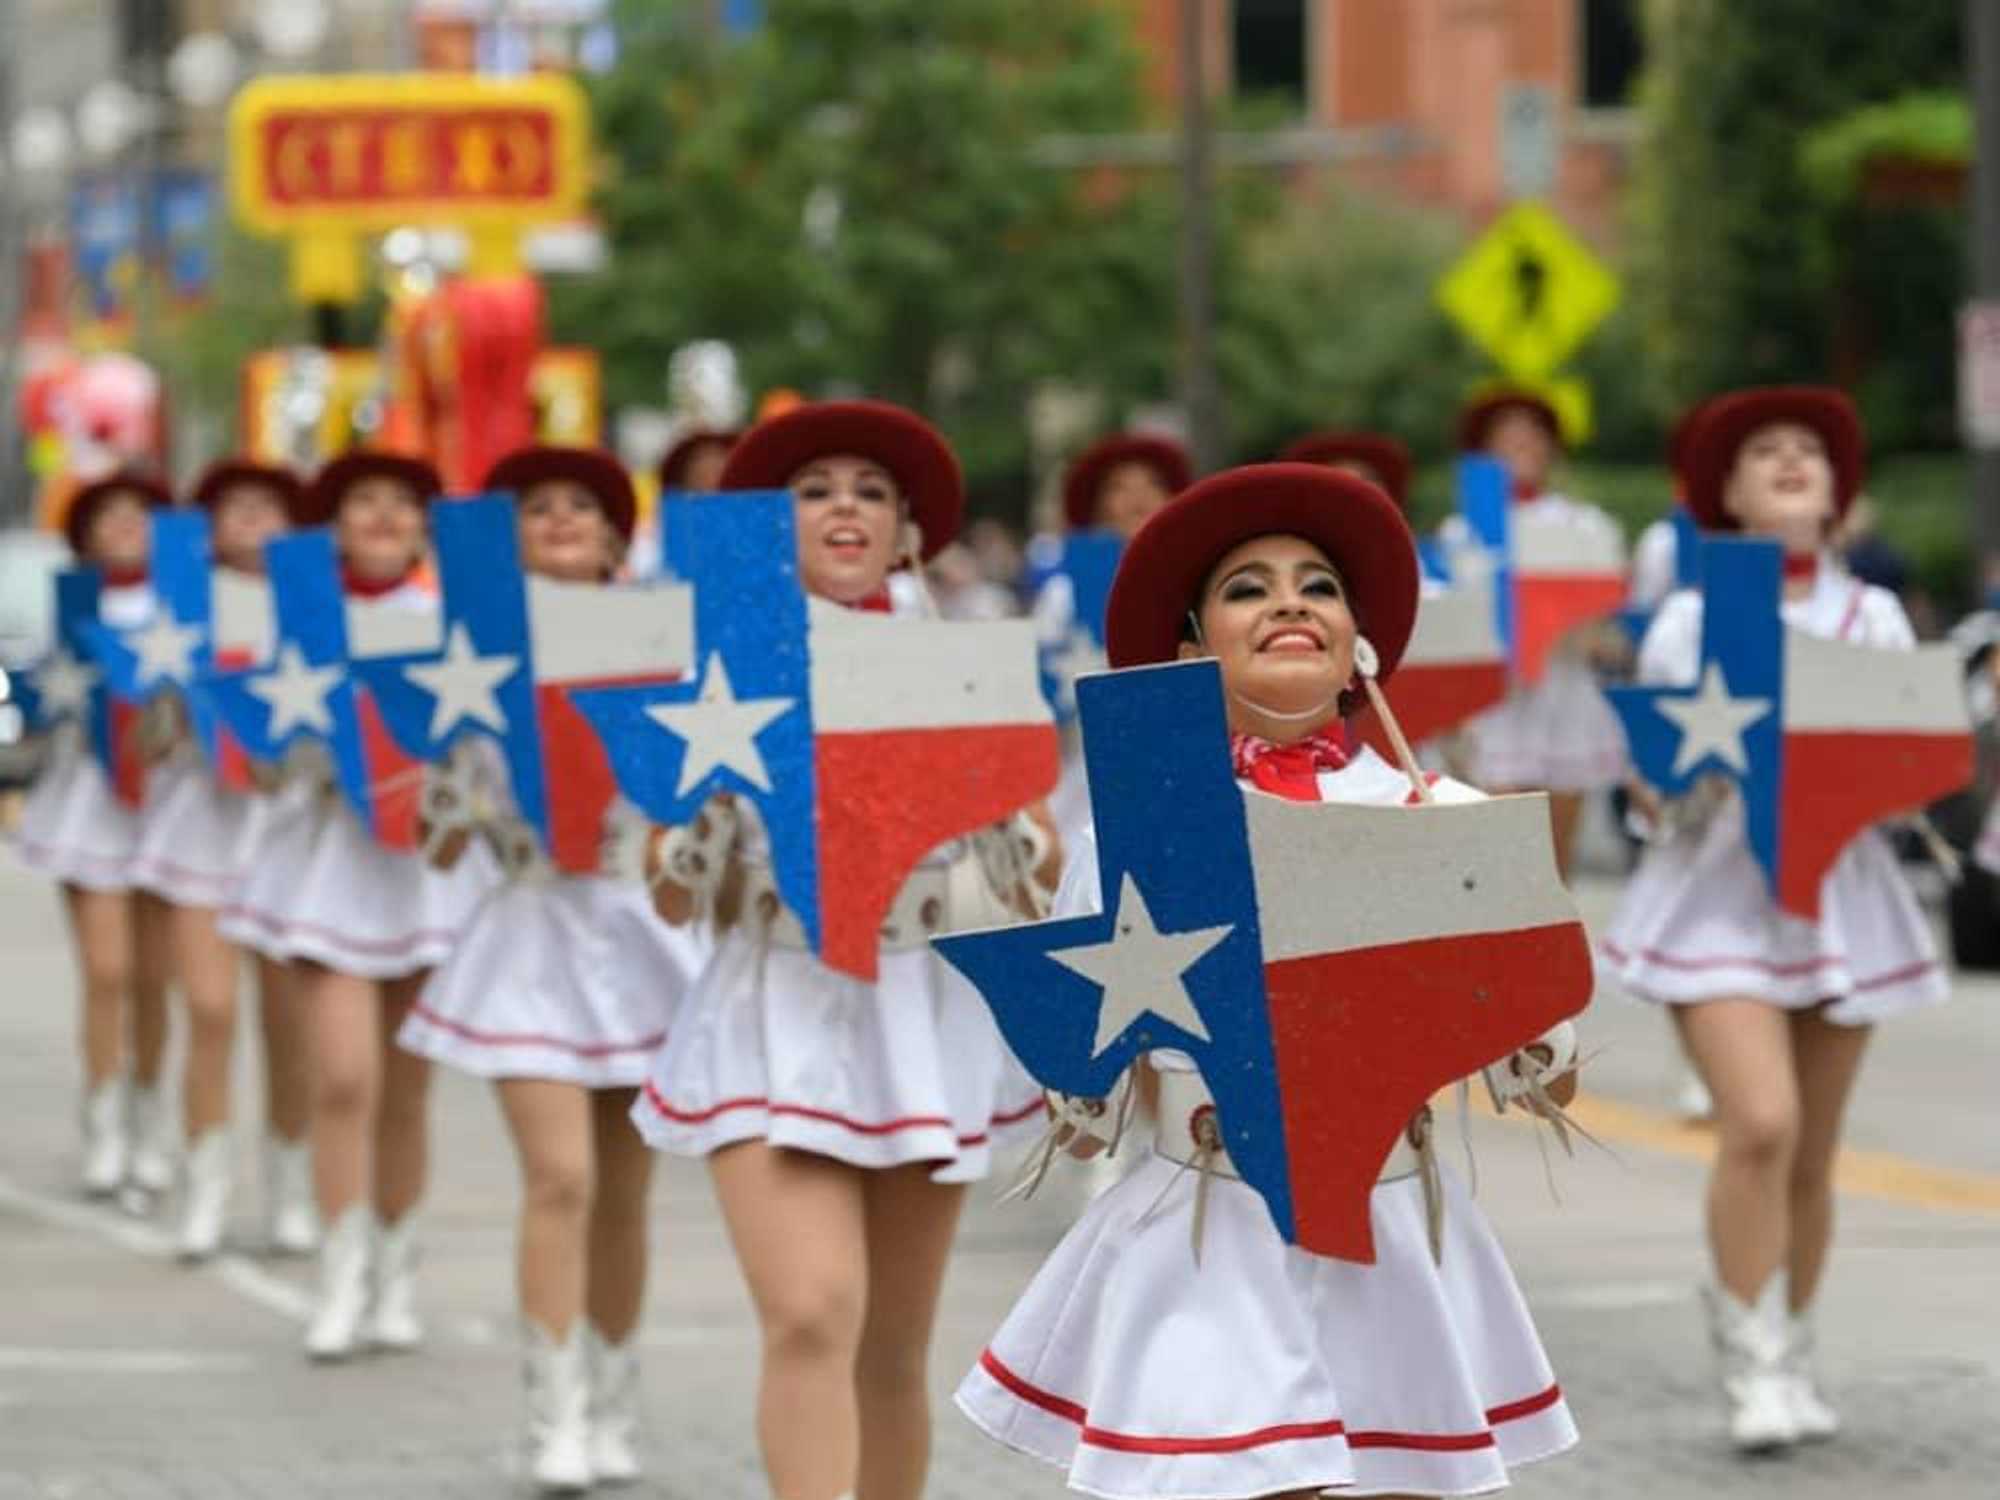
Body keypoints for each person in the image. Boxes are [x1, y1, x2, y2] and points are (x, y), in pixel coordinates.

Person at [956, 463, 1581, 1499]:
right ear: (1190, 648)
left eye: (1319, 586)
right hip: (1208, 1230)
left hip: (1390, 1231)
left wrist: (1521, 1007)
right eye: (1247, 588)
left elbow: (1544, 1079)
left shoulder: (1442, 817)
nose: (1289, 602)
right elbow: (1087, 1114)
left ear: (1357, 646)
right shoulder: (1133, 829)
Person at [634, 400, 1055, 1500]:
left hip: (917, 1002)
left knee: (890, 1348)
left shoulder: (960, 658)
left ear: (906, 527)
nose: (843, 509)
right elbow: (666, 886)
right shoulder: (726, 657)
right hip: (773, 1000)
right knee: (813, 1311)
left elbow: (1036, 866)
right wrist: (704, 821)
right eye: (814, 490)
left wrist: (990, 814)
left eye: (870, 490)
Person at [1599, 386, 1943, 1454]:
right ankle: (1746, 1355)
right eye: (1765, 452)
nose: (1792, 461)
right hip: (1719, 897)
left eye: (1810, 450)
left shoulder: (1872, 616)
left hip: (1840, 895)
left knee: (1810, 1154)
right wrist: (1679, 774)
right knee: (1759, 1122)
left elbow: (1908, 764)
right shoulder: (1692, 618)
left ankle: (1790, 1346)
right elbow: (1652, 782)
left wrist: (1900, 774)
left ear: (1837, 491)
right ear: (1729, 495)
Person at [396, 446, 699, 1491]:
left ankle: (613, 1401)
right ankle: (552, 1415)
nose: (563, 518)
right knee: (559, 1178)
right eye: (538, 508)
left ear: (617, 537)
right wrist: (457, 791)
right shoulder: (477, 653)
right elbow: (436, 837)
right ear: (511, 538)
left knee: (623, 1192)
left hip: (642, 933)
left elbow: (699, 794)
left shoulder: (666, 643)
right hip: (529, 930)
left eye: (584, 505)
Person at [221, 450, 493, 1361]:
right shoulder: (302, 616)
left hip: (424, 874)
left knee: (405, 1095)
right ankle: (337, 1278)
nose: (382, 516)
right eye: (363, 501)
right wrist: (301, 747)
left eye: (401, 503)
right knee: (342, 1080)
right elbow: (260, 750)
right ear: (334, 525)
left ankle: (394, 1276)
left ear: (425, 525)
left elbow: (488, 746)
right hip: (330, 864)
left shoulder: (454, 621)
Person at [125, 459, 317, 1257]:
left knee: (289, 1026)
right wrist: (168, 703)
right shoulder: (176, 608)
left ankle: (290, 1185)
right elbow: (142, 739)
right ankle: (205, 1183)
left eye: (269, 506)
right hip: (200, 828)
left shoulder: (315, 607)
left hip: (286, 832)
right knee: (208, 1012)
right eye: (235, 507)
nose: (252, 519)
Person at [14, 471, 177, 1202]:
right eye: (108, 514)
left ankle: (149, 1113)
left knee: (154, 978)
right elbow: (36, 688)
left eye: (138, 513)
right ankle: (103, 1117)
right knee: (106, 972)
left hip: (168, 809)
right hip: (88, 803)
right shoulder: (71, 602)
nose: (124, 525)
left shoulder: (184, 602)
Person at [1453, 391, 1629, 878]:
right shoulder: (1463, 532)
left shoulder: (1587, 525)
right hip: (1496, 701)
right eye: (1506, 434)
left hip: (1563, 690)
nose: (1521, 443)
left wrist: (1582, 628)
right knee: (1500, 852)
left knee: (1555, 856)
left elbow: (1611, 622)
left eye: (1532, 433)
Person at [1037, 433, 1193, 854]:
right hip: (1089, 776)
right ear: (1099, 506)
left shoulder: (1202, 582)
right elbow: (1042, 696)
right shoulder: (1064, 590)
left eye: (1151, 483)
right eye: (1120, 486)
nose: (1137, 497)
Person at [1278, 430, 1414, 512]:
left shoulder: (1419, 551)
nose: (1355, 491)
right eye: (1338, 480)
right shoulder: (1284, 548)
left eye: (1367, 480)